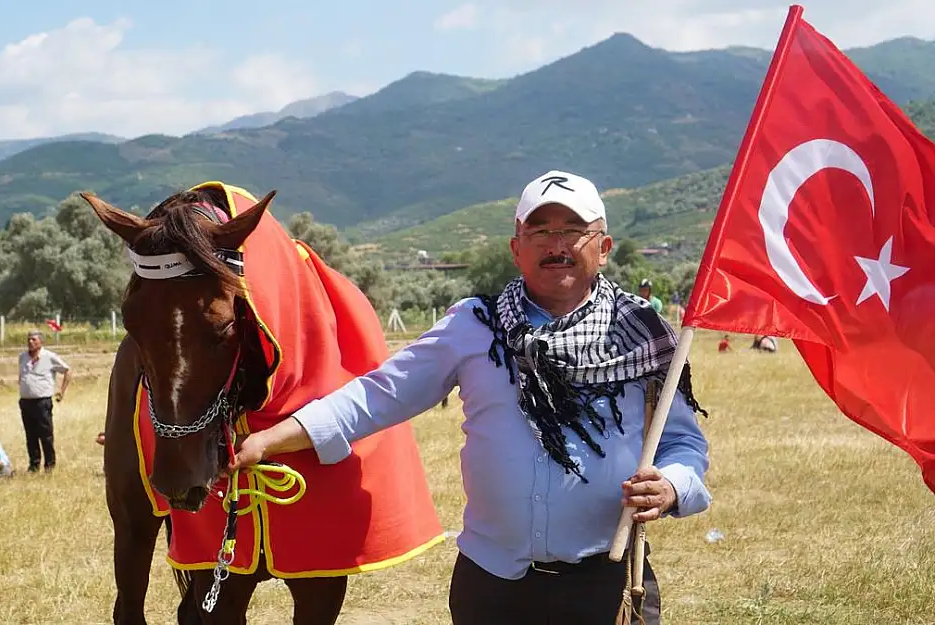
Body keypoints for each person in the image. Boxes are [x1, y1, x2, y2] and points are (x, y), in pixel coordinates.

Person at [230, 170, 712, 624]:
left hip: (608, 582)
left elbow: (684, 446)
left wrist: (671, 485)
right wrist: (269, 440)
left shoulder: (643, 337)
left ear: (603, 247)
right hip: (492, 587)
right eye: (540, 232)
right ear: (516, 249)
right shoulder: (475, 325)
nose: (557, 245)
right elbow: (378, 396)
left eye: (574, 230)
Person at [17, 330, 71, 473]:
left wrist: (61, 391)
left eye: (34, 340)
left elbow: (67, 370)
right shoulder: (22, 357)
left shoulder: (49, 357)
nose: (30, 342)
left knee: (45, 435)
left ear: (41, 342)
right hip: (26, 402)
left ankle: (49, 465)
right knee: (30, 435)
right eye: (28, 339)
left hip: (42, 402)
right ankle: (34, 465)